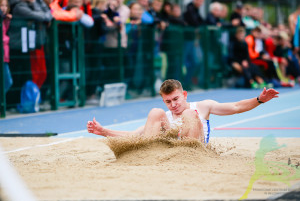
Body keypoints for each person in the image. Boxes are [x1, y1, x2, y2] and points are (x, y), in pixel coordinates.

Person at [87, 79, 279, 144]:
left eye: (176, 99)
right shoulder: (165, 115)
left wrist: (259, 99)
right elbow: (134, 135)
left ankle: (185, 151)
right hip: (169, 155)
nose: (173, 105)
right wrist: (103, 131)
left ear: (184, 94)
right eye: (168, 101)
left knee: (188, 114)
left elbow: (236, 107)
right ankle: (148, 154)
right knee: (155, 113)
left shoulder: (202, 106)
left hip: (193, 152)